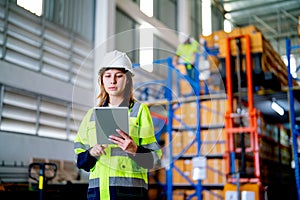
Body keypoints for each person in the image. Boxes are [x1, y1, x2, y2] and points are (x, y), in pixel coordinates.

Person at [74, 50, 162, 200]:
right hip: (98, 194)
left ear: (127, 79)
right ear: (102, 80)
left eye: (118, 76)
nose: (112, 81)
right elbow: (80, 161)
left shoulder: (139, 111)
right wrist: (91, 153)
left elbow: (154, 160)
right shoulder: (91, 115)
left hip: (130, 194)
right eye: (107, 76)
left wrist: (134, 150)